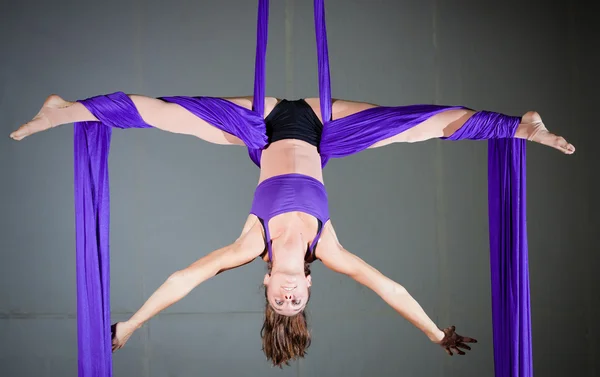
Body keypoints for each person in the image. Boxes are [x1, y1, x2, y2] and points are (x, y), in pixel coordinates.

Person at [9, 93, 574, 366]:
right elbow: (389, 288)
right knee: (413, 130)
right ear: (308, 288)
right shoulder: (325, 247)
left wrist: (129, 325)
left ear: (263, 288)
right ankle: (518, 127)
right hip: (327, 127)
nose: (286, 295)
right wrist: (433, 333)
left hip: (260, 123)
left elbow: (184, 279)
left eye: (278, 302)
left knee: (172, 119)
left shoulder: (248, 244)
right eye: (295, 300)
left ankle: (70, 108)